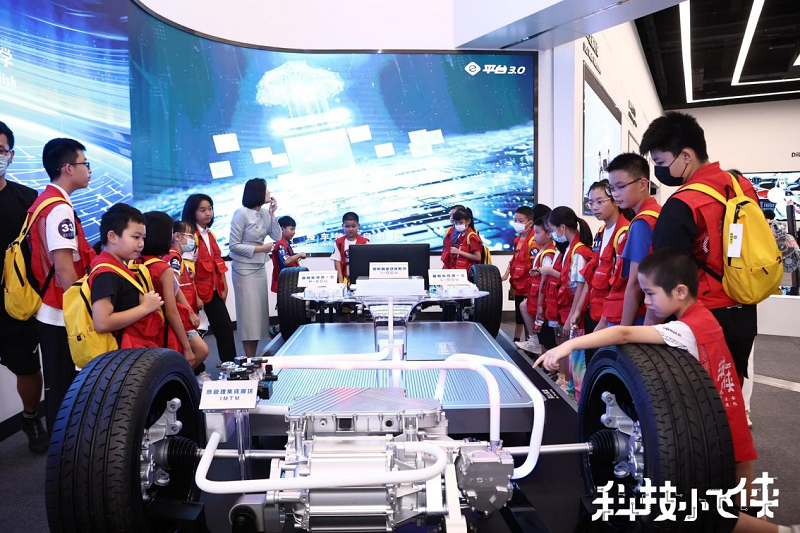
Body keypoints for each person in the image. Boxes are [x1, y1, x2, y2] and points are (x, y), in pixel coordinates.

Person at [533, 249, 789, 533]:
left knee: (709, 514)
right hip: (731, 419)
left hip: (717, 431)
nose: (646, 301)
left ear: (680, 291)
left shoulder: (686, 330)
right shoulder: (705, 318)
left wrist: (568, 346)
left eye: (650, 293)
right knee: (741, 505)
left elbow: (623, 334)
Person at [641, 112, 763, 383]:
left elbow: (662, 278)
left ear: (686, 155)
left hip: (702, 319)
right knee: (730, 388)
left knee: (695, 396)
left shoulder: (682, 204)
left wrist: (645, 335)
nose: (659, 171)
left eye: (660, 162)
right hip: (745, 309)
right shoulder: (741, 186)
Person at [28, 137, 96, 432]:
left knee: (61, 386)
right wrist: (83, 311)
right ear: (68, 168)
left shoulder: (47, 201)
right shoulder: (58, 209)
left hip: (55, 309)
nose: (88, 170)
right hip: (60, 313)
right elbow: (65, 268)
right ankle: (63, 453)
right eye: (85, 163)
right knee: (65, 389)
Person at [0, 121, 48, 452]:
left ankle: (31, 418)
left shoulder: (27, 200)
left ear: (11, 155)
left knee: (28, 370)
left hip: (17, 307)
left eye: (0, 150)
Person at [141, 211, 209, 375]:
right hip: (167, 326)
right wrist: (187, 347)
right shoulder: (164, 267)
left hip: (150, 325)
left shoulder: (139, 262)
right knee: (189, 357)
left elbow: (176, 289)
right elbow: (171, 310)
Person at [89, 204, 165, 348]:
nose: (141, 244)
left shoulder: (117, 267)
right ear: (112, 237)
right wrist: (145, 307)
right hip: (124, 353)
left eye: (143, 238)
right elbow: (102, 323)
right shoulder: (106, 273)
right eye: (135, 237)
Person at [602, 153, 661, 328]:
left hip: (636, 317)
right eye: (612, 189)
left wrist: (623, 331)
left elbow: (635, 283)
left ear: (642, 184)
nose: (615, 194)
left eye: (621, 187)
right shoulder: (656, 212)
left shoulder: (642, 222)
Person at [228, 179, 281, 358]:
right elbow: (233, 245)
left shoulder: (265, 213)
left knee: (259, 314)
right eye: (266, 190)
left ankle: (254, 356)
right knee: (248, 315)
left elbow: (277, 236)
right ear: (257, 192)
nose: (269, 192)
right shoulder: (241, 214)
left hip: (259, 267)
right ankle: (249, 358)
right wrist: (260, 249)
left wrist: (273, 214)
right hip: (243, 269)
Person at [182, 194, 237, 362]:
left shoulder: (210, 233)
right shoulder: (189, 236)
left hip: (213, 291)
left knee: (225, 328)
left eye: (210, 209)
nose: (208, 213)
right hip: (197, 293)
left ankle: (230, 366)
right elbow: (187, 270)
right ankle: (198, 371)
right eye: (202, 210)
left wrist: (224, 286)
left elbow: (217, 263)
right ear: (192, 212)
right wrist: (196, 296)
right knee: (196, 331)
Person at [547, 206, 594, 398]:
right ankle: (573, 389)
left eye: (552, 229)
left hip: (576, 312)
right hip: (570, 308)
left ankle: (579, 395)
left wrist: (573, 316)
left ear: (562, 227)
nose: (553, 234)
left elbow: (580, 288)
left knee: (578, 356)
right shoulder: (570, 249)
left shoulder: (579, 252)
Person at [581, 180, 632, 336]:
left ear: (615, 201)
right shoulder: (601, 232)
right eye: (591, 203)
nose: (594, 207)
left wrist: (604, 320)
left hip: (611, 315)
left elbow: (621, 283)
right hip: (594, 308)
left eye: (600, 202)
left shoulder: (623, 233)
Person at [517, 216, 557, 355]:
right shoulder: (543, 250)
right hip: (535, 295)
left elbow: (545, 281)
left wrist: (540, 304)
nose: (534, 236)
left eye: (538, 233)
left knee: (546, 334)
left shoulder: (549, 253)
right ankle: (534, 342)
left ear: (549, 234)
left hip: (542, 299)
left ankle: (540, 350)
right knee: (524, 307)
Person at [502, 206, 538, 342]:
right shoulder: (517, 240)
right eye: (515, 220)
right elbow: (514, 260)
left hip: (529, 285)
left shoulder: (534, 241)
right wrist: (506, 275)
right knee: (519, 314)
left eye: (520, 221)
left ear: (530, 223)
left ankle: (531, 341)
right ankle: (517, 339)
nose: (517, 223)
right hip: (518, 284)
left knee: (528, 314)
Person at [166, 221, 201, 314]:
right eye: (190, 236)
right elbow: (174, 289)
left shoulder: (179, 258)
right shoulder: (174, 258)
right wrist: (190, 313)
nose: (193, 240)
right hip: (182, 311)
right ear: (177, 236)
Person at [271, 215, 306, 293]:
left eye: (294, 229)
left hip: (289, 280)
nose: (294, 232)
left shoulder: (286, 243)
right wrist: (299, 255)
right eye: (291, 229)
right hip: (285, 282)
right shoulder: (281, 244)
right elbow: (286, 261)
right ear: (282, 229)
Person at [331, 212, 369, 284]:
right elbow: (337, 261)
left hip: (360, 278)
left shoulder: (365, 242)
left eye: (353, 226)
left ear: (358, 226)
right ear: (342, 226)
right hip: (345, 278)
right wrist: (340, 279)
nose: (350, 229)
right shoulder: (339, 242)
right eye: (347, 226)